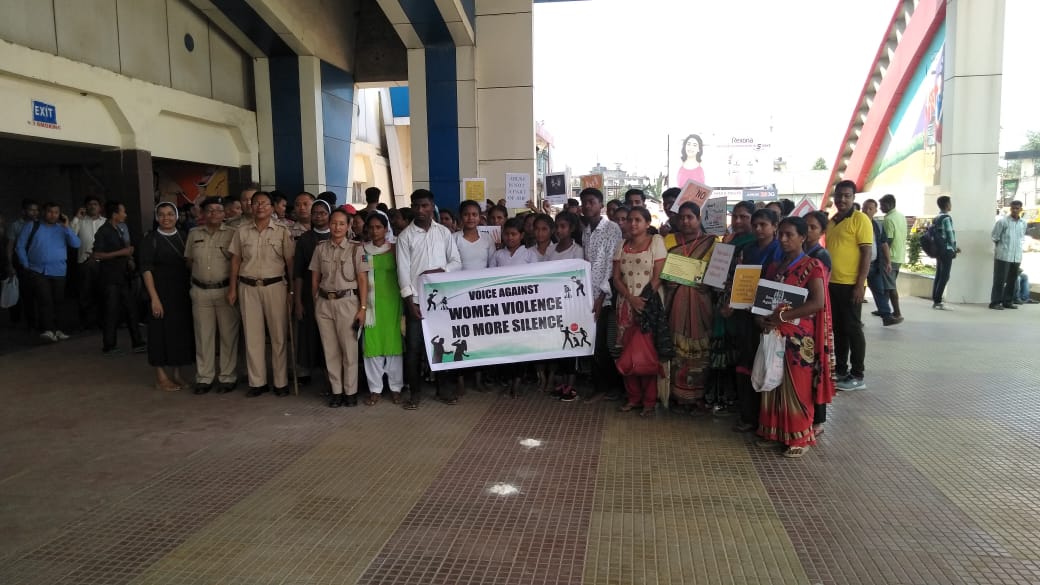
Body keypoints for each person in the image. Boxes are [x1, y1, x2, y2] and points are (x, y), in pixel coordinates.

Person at [755, 216, 835, 458]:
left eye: (789, 235)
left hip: (799, 337)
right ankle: (774, 433)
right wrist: (762, 318)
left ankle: (799, 437)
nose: (783, 239)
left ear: (802, 237)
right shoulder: (775, 266)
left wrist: (783, 316)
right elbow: (765, 298)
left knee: (797, 385)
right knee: (774, 380)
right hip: (775, 332)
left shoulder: (812, 266)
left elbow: (817, 302)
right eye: (781, 234)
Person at [396, 189, 462, 410]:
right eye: (416, 206)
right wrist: (409, 302)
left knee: (442, 345)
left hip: (441, 300)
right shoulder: (405, 237)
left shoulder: (444, 233)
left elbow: (457, 262)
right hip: (416, 301)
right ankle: (414, 394)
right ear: (412, 207)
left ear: (432, 206)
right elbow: (403, 272)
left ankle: (444, 390)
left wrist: (441, 270)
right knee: (414, 349)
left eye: (424, 205)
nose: (420, 210)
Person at [228, 191, 295, 397]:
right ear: (251, 206)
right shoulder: (241, 231)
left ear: (272, 207)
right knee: (252, 336)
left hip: (275, 286)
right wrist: (232, 288)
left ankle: (281, 382)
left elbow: (290, 262)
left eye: (264, 203)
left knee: (278, 335)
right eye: (256, 203)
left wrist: (292, 290)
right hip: (248, 287)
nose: (260, 207)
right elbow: (235, 261)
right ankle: (257, 382)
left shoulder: (282, 231)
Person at [728, 208, 781, 431]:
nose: (758, 229)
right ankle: (747, 415)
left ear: (775, 227)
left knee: (765, 362)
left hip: (766, 315)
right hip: (745, 311)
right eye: (756, 225)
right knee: (745, 361)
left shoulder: (778, 250)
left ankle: (765, 418)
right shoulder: (748, 249)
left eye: (763, 225)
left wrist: (763, 314)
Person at [310, 208, 368, 407]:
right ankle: (336, 391)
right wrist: (316, 300)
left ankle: (350, 392)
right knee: (330, 350)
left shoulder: (356, 249)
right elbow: (315, 278)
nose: (337, 227)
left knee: (349, 350)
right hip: (324, 303)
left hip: (347, 302)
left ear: (349, 226)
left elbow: (363, 280)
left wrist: (362, 308)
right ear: (329, 224)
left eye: (342, 223)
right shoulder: (320, 248)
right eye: (334, 223)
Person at [612, 207, 668, 416]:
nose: (633, 223)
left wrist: (641, 301)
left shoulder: (656, 242)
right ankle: (633, 398)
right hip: (626, 306)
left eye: (638, 220)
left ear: (647, 223)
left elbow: (658, 277)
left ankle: (649, 401)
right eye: (630, 220)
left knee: (647, 353)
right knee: (628, 352)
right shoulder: (621, 245)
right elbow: (616, 279)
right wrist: (630, 298)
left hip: (649, 306)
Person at [662, 202, 716, 411]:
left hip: (701, 301)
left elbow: (717, 274)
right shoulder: (668, 240)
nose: (685, 221)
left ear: (699, 218)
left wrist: (708, 283)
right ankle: (677, 394)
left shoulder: (712, 242)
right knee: (677, 346)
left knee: (700, 346)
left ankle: (698, 395)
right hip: (674, 300)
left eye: (690, 217)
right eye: (681, 217)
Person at [184, 197, 239, 393]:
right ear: (203, 214)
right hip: (200, 291)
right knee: (203, 335)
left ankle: (227, 377)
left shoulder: (232, 234)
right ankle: (204, 377)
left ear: (224, 214)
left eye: (218, 210)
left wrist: (232, 288)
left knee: (228, 336)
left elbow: (237, 262)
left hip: (225, 290)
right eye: (210, 210)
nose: (214, 213)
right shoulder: (194, 233)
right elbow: (189, 260)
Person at [140, 202, 194, 391]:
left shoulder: (185, 236)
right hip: (160, 293)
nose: (166, 218)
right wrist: (154, 298)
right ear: (157, 218)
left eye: (170, 214)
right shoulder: (150, 239)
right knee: (159, 334)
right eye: (162, 214)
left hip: (181, 293)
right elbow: (146, 270)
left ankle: (177, 374)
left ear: (176, 216)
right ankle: (161, 377)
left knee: (179, 333)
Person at [825, 180, 872, 391]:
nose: (842, 199)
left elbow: (867, 253)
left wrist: (860, 285)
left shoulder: (860, 219)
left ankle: (858, 375)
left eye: (847, 195)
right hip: (832, 284)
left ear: (853, 198)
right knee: (838, 329)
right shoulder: (832, 221)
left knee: (853, 329)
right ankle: (841, 370)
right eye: (839, 195)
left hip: (851, 285)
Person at [16, 201, 80, 342]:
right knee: (45, 300)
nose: (53, 215)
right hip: (38, 270)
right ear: (44, 212)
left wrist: (67, 227)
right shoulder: (32, 226)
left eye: (56, 212)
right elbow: (20, 246)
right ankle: (48, 330)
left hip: (59, 270)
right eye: (50, 212)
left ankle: (59, 329)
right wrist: (25, 264)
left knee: (59, 301)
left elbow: (76, 244)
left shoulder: (62, 228)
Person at [581, 187, 623, 401]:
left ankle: (608, 386)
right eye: (584, 202)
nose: (587, 206)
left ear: (601, 205)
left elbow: (611, 264)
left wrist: (600, 297)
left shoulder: (612, 228)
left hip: (605, 296)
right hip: (588, 294)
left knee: (602, 344)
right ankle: (606, 385)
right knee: (593, 342)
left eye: (592, 202)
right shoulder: (586, 231)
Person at [453, 200, 496, 395]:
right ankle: (460, 381)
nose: (470, 218)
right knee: (459, 337)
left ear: (480, 217)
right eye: (466, 214)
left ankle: (478, 379)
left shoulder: (487, 240)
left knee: (479, 338)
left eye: (474, 214)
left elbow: (492, 266)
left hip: (481, 296)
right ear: (460, 217)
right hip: (459, 295)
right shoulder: (454, 239)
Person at [91, 201, 145, 355]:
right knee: (111, 311)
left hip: (122, 276)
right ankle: (109, 345)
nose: (125, 214)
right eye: (123, 211)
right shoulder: (103, 231)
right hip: (110, 278)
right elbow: (97, 255)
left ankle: (137, 342)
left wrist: (129, 258)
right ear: (115, 214)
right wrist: (122, 253)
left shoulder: (119, 229)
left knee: (131, 309)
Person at [361, 212, 404, 405]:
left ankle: (396, 387)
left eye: (378, 227)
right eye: (371, 227)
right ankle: (375, 389)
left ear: (386, 229)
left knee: (393, 345)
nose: (374, 231)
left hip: (393, 303)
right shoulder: (362, 250)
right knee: (372, 346)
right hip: (371, 304)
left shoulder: (395, 249)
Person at [544, 211, 584, 401]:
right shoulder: (551, 250)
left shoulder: (577, 250)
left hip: (571, 305)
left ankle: (571, 385)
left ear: (572, 228)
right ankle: (561, 383)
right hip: (554, 305)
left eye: (563, 226)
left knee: (571, 344)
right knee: (558, 344)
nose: (559, 230)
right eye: (557, 226)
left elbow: (577, 276)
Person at [293, 200, 332, 385]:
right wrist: (298, 301)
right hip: (310, 296)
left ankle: (331, 377)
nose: (319, 216)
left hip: (332, 295)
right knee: (310, 334)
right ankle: (310, 373)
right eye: (315, 213)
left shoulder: (337, 235)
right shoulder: (305, 239)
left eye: (323, 213)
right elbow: (298, 273)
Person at [862, 199, 900, 326]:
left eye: (870, 208)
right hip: (859, 265)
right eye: (864, 208)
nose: (866, 211)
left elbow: (884, 244)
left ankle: (886, 316)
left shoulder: (878, 225)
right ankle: (856, 319)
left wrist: (888, 262)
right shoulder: (857, 223)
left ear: (875, 210)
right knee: (858, 292)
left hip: (875, 265)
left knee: (880, 290)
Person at [71, 195, 106, 329]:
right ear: (85, 207)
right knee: (85, 293)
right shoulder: (80, 221)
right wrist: (76, 217)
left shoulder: (106, 222)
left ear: (100, 207)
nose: (92, 206)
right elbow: (71, 236)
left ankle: (102, 321)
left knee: (102, 292)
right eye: (90, 204)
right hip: (84, 262)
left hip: (103, 262)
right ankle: (85, 323)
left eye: (95, 204)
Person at [990, 200, 1027, 310]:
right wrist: (1002, 248)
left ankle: (1008, 301)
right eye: (1013, 208)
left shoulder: (1023, 223)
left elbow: (1021, 237)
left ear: (1021, 209)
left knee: (1012, 280)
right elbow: (995, 237)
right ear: (1010, 209)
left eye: (1017, 208)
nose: (1015, 210)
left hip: (1016, 256)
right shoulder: (1003, 222)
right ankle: (995, 302)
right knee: (1000, 280)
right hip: (1003, 256)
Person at [879, 194, 906, 319]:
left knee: (890, 287)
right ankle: (883, 308)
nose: (880, 208)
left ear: (888, 205)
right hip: (899, 255)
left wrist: (884, 257)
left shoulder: (888, 220)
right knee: (887, 285)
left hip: (890, 257)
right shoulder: (901, 216)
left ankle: (897, 312)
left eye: (882, 205)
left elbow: (887, 241)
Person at [931, 196, 959, 310]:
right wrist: (954, 248)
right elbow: (950, 234)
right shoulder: (946, 218)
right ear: (947, 205)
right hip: (946, 249)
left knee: (939, 274)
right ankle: (938, 301)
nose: (951, 205)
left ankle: (935, 298)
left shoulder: (936, 218)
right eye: (950, 203)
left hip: (939, 249)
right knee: (945, 275)